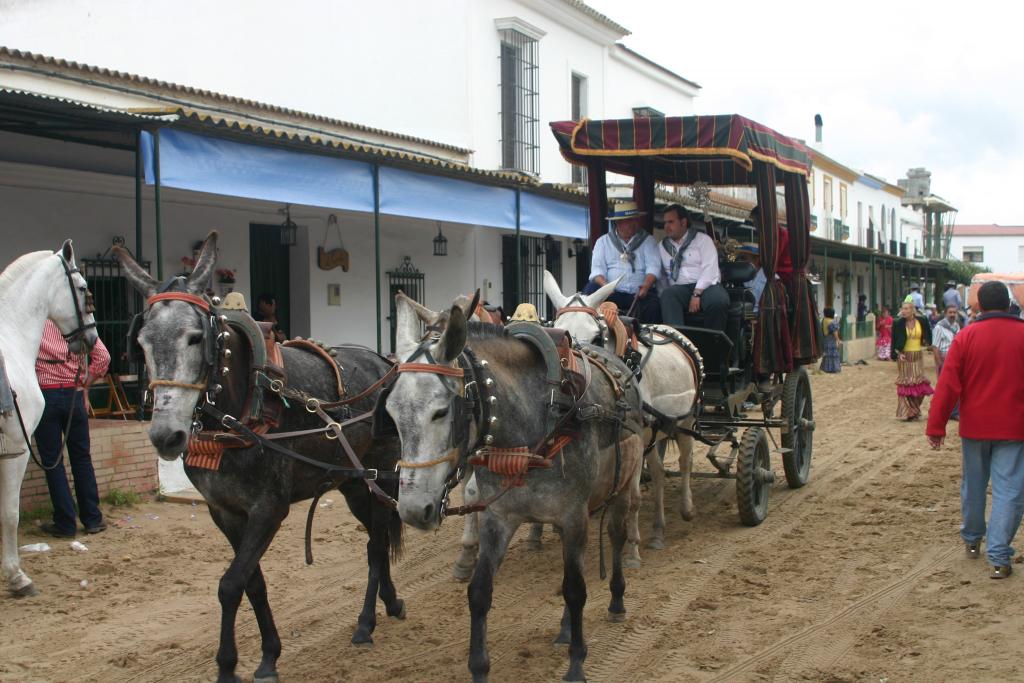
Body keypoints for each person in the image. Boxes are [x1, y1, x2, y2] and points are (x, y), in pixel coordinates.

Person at [926, 281, 1024, 579]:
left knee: (974, 486)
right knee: (1009, 491)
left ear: (978, 306)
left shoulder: (966, 336)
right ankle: (998, 558)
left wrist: (936, 425)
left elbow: (948, 385)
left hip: (975, 427)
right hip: (1014, 428)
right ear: (1008, 305)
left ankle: (971, 541)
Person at [34, 320, 110, 537]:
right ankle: (92, 518)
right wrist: (86, 383)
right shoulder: (72, 323)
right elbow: (103, 357)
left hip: (45, 395)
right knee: (82, 458)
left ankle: (65, 523)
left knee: (53, 461)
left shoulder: (36, 323)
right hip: (75, 394)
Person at [584, 200, 662, 323]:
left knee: (653, 305)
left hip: (639, 294)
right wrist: (606, 287)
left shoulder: (648, 241)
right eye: (628, 221)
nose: (633, 224)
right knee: (591, 290)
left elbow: (654, 267)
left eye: (634, 220)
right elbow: (597, 270)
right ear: (618, 223)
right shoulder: (603, 242)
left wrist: (646, 286)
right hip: (612, 293)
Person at [658, 204, 730, 331]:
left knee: (718, 301)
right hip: (680, 288)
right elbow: (662, 277)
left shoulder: (702, 240)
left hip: (707, 286)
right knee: (667, 296)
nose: (666, 227)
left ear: (683, 222)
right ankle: (678, 344)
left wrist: (696, 294)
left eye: (671, 222)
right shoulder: (662, 246)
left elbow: (710, 270)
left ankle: (713, 342)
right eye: (665, 223)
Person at [891, 296, 933, 420]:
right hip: (904, 356)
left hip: (918, 356)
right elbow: (893, 342)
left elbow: (928, 333)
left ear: (913, 310)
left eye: (907, 309)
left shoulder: (923, 320)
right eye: (903, 309)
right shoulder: (897, 323)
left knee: (919, 384)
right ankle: (907, 412)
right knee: (906, 384)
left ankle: (914, 409)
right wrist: (897, 354)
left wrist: (928, 343)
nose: (904, 311)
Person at [932, 304, 961, 420]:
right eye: (950, 312)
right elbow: (935, 347)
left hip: (956, 359)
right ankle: (942, 412)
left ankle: (954, 412)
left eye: (954, 312)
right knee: (944, 388)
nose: (953, 315)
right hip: (944, 359)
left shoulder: (957, 326)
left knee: (956, 387)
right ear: (945, 314)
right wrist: (939, 363)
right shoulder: (939, 327)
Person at [736, 243, 766, 312]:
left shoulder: (770, 279)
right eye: (739, 258)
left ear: (756, 260)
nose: (739, 261)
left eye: (743, 258)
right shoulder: (739, 278)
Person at [819, 307, 842, 373]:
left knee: (826, 354)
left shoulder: (824, 320)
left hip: (825, 339)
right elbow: (835, 332)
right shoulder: (831, 321)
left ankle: (825, 368)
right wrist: (838, 340)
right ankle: (833, 368)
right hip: (831, 340)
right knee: (833, 354)